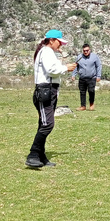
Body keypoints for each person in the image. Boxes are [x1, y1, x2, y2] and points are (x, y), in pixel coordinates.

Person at [26, 30, 77, 168]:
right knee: (47, 124)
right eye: (59, 42)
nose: (60, 44)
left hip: (48, 91)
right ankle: (33, 154)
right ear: (52, 40)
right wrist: (66, 67)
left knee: (44, 123)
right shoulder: (47, 52)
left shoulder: (47, 52)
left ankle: (41, 156)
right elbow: (51, 70)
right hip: (45, 91)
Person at [72, 43, 102, 111]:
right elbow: (76, 66)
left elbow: (98, 66)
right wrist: (73, 75)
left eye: (87, 50)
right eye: (84, 50)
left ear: (90, 50)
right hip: (82, 78)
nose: (85, 52)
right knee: (82, 92)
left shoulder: (95, 56)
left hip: (92, 77)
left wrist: (98, 76)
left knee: (91, 91)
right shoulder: (79, 57)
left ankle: (91, 104)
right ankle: (83, 106)